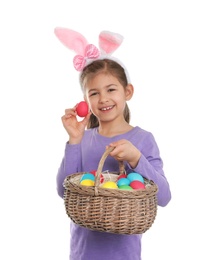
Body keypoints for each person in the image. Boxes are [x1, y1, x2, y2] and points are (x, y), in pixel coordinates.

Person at [55, 28, 171, 260]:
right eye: (94, 93)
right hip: (82, 254)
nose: (104, 99)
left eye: (111, 89)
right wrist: (74, 141)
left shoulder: (142, 139)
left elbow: (164, 197)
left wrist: (136, 158)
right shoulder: (83, 138)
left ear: (127, 92)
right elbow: (64, 192)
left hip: (124, 255)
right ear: (86, 101)